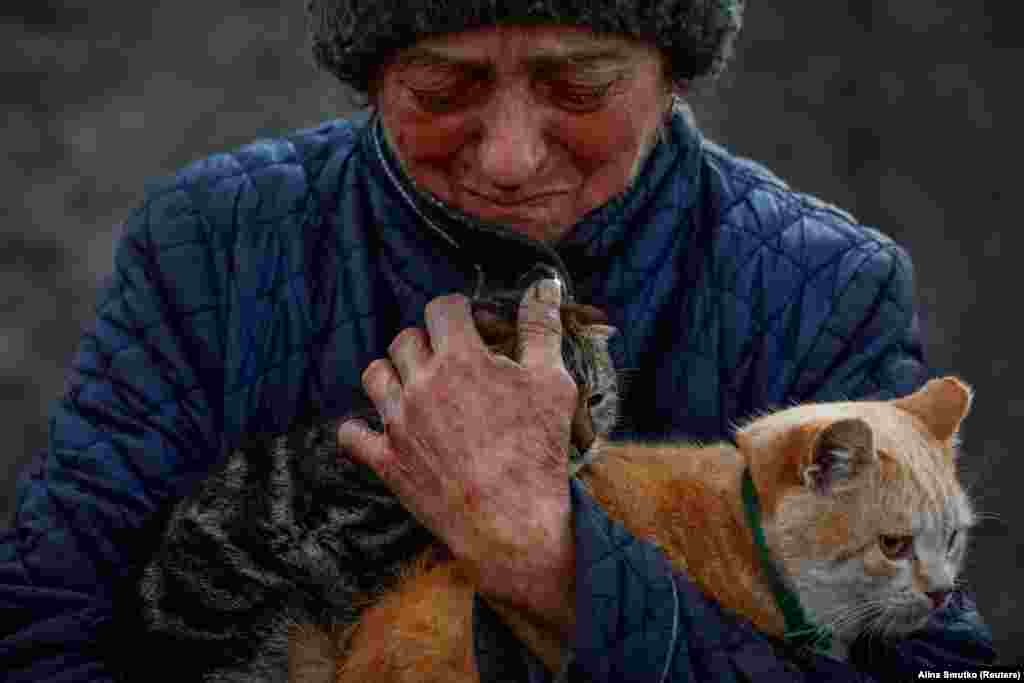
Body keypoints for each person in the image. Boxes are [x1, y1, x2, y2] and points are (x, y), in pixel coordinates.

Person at [1, 0, 997, 680]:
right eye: (441, 92)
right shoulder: (210, 242)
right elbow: (43, 613)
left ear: (675, 73)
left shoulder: (820, 287)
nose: (511, 159)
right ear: (371, 74)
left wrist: (551, 560)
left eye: (579, 89)